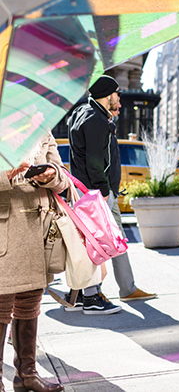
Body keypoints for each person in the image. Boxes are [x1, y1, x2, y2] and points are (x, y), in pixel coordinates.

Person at [67, 75, 155, 315]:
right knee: (110, 240)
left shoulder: (81, 113)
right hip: (98, 194)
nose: (119, 98)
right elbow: (96, 161)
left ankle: (87, 292)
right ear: (107, 95)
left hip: (86, 191)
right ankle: (106, 292)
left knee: (98, 241)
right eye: (117, 94)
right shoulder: (97, 120)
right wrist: (104, 191)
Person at [1, 131, 72, 392]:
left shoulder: (41, 126)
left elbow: (63, 178)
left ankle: (26, 375)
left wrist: (51, 175)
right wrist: (6, 175)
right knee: (1, 303)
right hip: (4, 228)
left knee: (30, 300)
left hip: (39, 227)